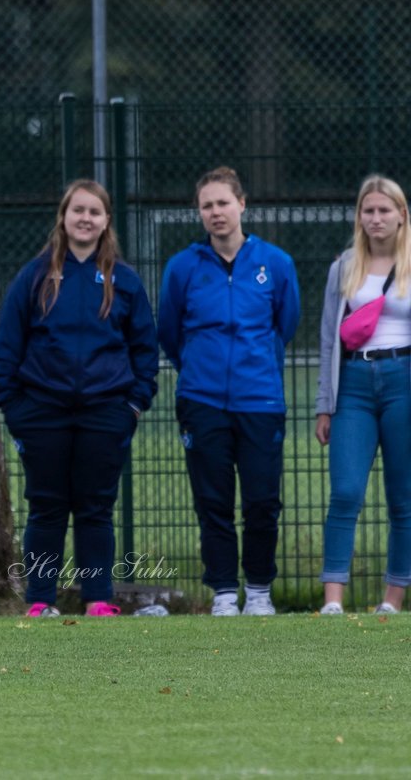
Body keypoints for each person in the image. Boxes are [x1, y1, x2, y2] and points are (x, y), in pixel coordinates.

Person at [0, 179, 158, 618]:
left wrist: (133, 404)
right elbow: (8, 345)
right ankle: (40, 601)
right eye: (77, 210)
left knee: (95, 508)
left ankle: (97, 599)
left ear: (106, 221)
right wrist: (14, 407)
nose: (85, 218)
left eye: (94, 212)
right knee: (46, 507)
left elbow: (145, 349)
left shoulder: (124, 281)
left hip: (106, 413)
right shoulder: (35, 276)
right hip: (41, 412)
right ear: (63, 217)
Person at [157, 166, 300, 616]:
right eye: (207, 205)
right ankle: (223, 592)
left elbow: (286, 323)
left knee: (262, 500)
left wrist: (255, 366)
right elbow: (169, 332)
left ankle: (258, 590)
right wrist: (199, 368)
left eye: (223, 202)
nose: (216, 212)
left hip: (261, 401)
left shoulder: (275, 263)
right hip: (202, 402)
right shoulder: (183, 267)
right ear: (198, 212)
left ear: (242, 204)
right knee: (212, 500)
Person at [315, 175, 411, 615]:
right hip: (353, 384)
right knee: (346, 492)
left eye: (384, 210)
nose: (375, 218)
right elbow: (328, 340)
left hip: (403, 380)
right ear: (359, 216)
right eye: (368, 211)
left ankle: (392, 600)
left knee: (402, 497)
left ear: (401, 214)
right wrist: (324, 405)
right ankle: (333, 600)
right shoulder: (344, 266)